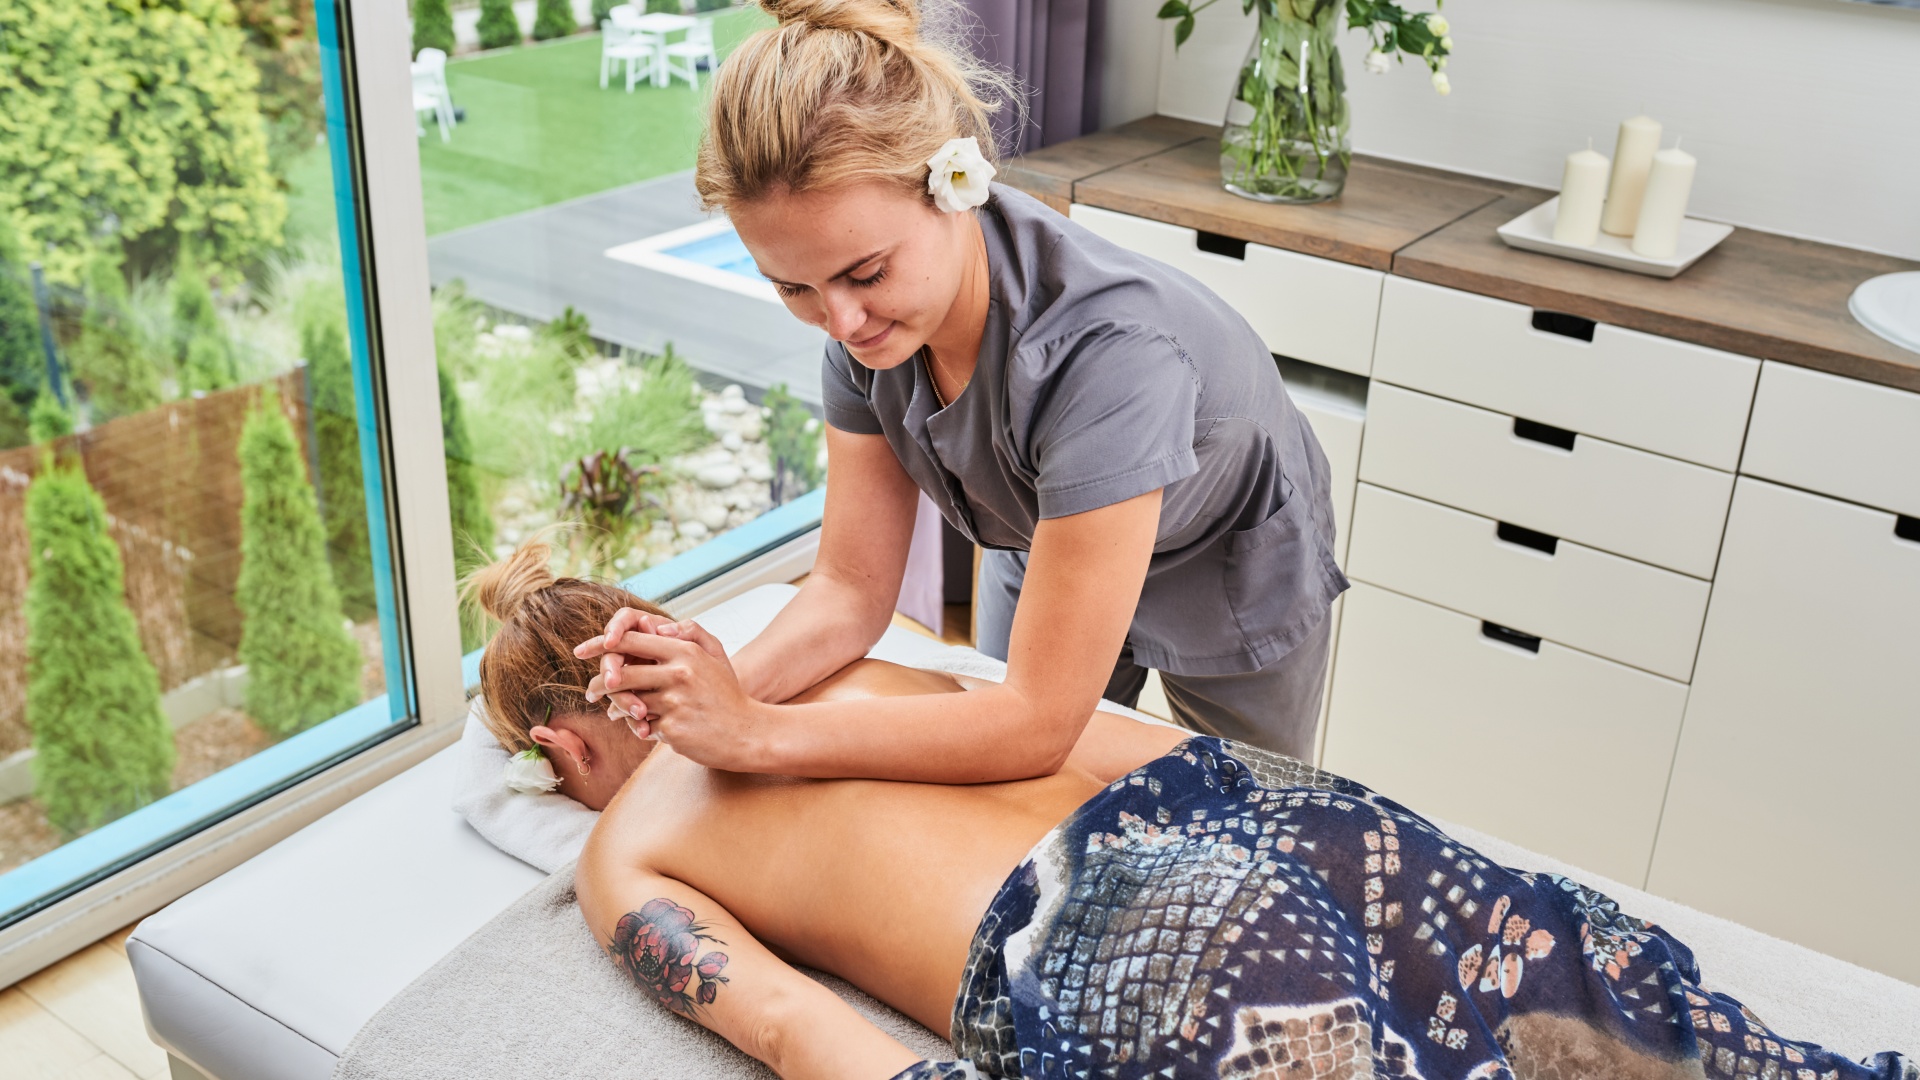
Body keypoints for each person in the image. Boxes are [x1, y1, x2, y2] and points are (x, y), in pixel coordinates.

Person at [466, 543, 1914, 1080]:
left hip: (1129, 938)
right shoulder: (842, 667)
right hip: (1246, 808)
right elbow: (1091, 735)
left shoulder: (625, 849)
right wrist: (1340, 811)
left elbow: (794, 1029)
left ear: (558, 748)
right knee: (1597, 999)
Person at [580, 0, 1349, 780]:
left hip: (1222, 563)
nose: (839, 322)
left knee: (1261, 806)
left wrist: (756, 735)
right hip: (1047, 539)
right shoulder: (869, 335)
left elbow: (1033, 724)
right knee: (1028, 801)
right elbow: (849, 589)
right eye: (792, 287)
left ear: (954, 187)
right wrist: (710, 694)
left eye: (866, 273)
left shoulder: (1109, 358)